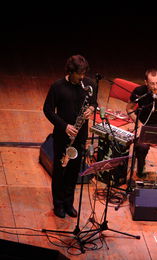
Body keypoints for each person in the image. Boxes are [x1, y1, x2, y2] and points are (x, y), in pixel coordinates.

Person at [43, 55, 97, 218]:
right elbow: (48, 110)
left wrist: (92, 109)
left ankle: (68, 203)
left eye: (83, 73)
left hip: (80, 135)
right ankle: (58, 204)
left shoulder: (89, 85)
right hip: (62, 135)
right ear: (70, 71)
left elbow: (94, 102)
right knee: (60, 170)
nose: (82, 77)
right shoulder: (58, 86)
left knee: (74, 171)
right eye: (78, 74)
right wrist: (64, 126)